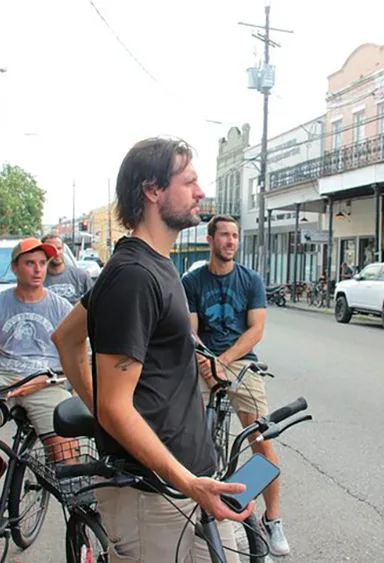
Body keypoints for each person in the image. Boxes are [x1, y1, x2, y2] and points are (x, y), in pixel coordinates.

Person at [51, 137, 250, 563]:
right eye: (189, 181)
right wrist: (106, 413)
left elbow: (66, 339)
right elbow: (115, 404)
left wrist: (104, 409)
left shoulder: (154, 265)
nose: (200, 192)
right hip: (156, 496)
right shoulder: (134, 276)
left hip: (185, 485)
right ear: (153, 190)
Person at [181, 215, 290, 555]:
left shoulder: (251, 280)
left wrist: (223, 361)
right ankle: (194, 507)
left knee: (262, 439)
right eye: (224, 235)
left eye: (235, 236)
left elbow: (256, 330)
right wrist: (207, 361)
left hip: (239, 362)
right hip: (203, 361)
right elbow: (191, 330)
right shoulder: (193, 281)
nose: (230, 241)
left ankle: (272, 519)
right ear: (210, 240)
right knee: (190, 436)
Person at [0, 238, 80, 464]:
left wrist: (48, 379)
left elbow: (80, 357)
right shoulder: (2, 303)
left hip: (45, 381)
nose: (38, 270)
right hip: (6, 379)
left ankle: (70, 494)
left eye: (42, 263)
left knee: (65, 454)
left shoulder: (61, 307)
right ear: (15, 267)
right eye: (30, 263)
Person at [41, 234, 93, 305]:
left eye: (59, 248)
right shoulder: (38, 279)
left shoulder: (81, 276)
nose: (57, 253)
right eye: (52, 249)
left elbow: (93, 303)